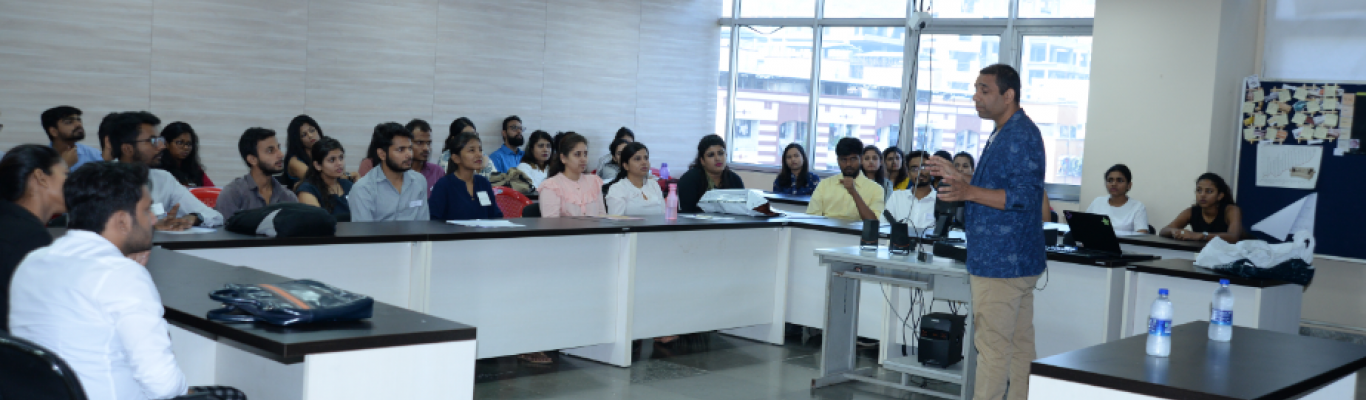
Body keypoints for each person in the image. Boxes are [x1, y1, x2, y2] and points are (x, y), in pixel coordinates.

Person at [9, 162, 247, 400]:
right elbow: (165, 386)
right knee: (231, 395)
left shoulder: (32, 262)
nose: (153, 219)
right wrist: (133, 278)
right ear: (122, 221)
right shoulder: (120, 275)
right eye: (146, 210)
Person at [926, 64, 1045, 400]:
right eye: (975, 89)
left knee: (992, 348)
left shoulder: (1020, 135)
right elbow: (993, 186)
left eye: (984, 90)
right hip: (1009, 260)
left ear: (1008, 95)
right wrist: (959, 176)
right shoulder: (1004, 131)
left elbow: (1025, 198)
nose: (975, 97)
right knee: (1019, 345)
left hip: (1002, 262)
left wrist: (968, 191)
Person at [108, 111, 223, 230]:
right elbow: (102, 226)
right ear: (127, 148)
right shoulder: (102, 180)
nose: (162, 146)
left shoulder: (163, 179)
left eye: (160, 140)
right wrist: (152, 226)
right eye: (153, 141)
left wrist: (194, 217)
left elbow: (215, 216)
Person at [0, 145, 67, 332]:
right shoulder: (30, 237)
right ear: (40, 178)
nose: (72, 185)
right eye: (66, 175)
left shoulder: (10, 221)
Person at [215, 128, 299, 221]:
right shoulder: (232, 194)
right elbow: (224, 229)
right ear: (252, 159)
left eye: (278, 148)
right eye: (270, 150)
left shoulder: (288, 197)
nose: (281, 154)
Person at [351, 122, 430, 222]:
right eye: (401, 150)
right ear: (382, 154)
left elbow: (423, 224)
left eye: (410, 148)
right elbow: (363, 231)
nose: (409, 155)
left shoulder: (419, 181)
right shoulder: (363, 189)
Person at [806, 137, 885, 221]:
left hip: (859, 230)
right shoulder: (824, 185)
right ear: (838, 161)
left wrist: (853, 192)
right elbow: (811, 218)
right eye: (843, 159)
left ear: (861, 159)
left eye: (853, 159)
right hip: (826, 229)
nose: (848, 164)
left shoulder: (876, 189)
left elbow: (874, 222)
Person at [430, 131, 503, 221]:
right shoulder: (443, 185)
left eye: (480, 150)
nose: (479, 154)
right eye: (472, 150)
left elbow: (495, 215)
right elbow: (434, 220)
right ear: (456, 158)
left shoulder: (483, 183)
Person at [359, 119, 443, 194]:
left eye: (429, 143)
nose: (426, 148)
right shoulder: (371, 168)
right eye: (419, 143)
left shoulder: (435, 173)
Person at [1160, 173, 1244, 243]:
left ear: (1220, 196)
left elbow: (1233, 237)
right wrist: (1174, 231)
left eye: (1209, 191)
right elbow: (1164, 231)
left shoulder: (1231, 210)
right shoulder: (1191, 211)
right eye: (1199, 190)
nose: (1202, 195)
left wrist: (1200, 236)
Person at [539, 132, 606, 217]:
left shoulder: (594, 181)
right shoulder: (551, 186)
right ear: (563, 158)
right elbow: (551, 223)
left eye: (585, 154)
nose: (583, 159)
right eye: (577, 154)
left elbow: (602, 216)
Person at [677, 134, 745, 213]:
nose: (717, 158)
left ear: (726, 155)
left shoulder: (735, 180)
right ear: (702, 161)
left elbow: (742, 210)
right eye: (711, 155)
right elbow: (687, 213)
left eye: (721, 153)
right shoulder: (689, 180)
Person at [296, 137, 353, 221]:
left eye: (341, 158)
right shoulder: (307, 190)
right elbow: (318, 222)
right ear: (317, 165)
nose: (339, 163)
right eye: (332, 160)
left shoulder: (348, 185)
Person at [1085, 164, 1150, 233]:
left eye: (1120, 180)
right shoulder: (1098, 202)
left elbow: (1141, 235)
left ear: (1129, 185)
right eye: (1110, 180)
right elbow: (1084, 225)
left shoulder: (1137, 207)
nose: (1114, 184)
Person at [604, 142, 664, 216]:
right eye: (637, 159)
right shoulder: (617, 189)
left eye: (646, 158)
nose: (644, 162)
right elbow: (616, 221)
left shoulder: (654, 184)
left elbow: (664, 216)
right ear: (626, 166)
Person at [42, 105, 103, 171]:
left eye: (79, 120)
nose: (78, 124)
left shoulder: (93, 155)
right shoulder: (40, 159)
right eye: (69, 122)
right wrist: (64, 165)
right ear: (54, 132)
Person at [154, 122, 214, 187]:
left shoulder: (194, 169)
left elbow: (211, 189)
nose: (186, 147)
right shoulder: (158, 169)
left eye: (189, 144)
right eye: (180, 142)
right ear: (166, 143)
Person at [283, 115, 326, 189]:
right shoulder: (294, 161)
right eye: (304, 135)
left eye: (312, 130)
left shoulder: (325, 153)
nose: (310, 135)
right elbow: (317, 182)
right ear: (298, 140)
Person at [901, 150, 937, 230]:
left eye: (924, 167)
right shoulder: (896, 197)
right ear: (908, 173)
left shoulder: (940, 200)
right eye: (914, 169)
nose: (920, 172)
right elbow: (884, 227)